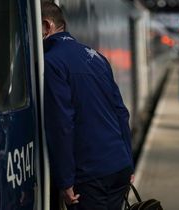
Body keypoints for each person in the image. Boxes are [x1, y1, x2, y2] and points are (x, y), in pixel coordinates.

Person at [42, 2, 134, 209]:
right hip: (119, 166)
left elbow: (62, 124)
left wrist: (65, 180)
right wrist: (128, 161)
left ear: (47, 27)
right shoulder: (97, 57)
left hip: (91, 175)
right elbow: (121, 112)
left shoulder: (52, 62)